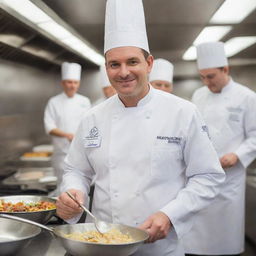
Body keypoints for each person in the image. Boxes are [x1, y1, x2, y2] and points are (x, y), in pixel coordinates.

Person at [56, 1, 225, 255]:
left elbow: (208, 176)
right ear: (106, 68)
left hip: (159, 247)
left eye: (132, 62)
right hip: (101, 242)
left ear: (149, 63)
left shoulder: (182, 112)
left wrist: (170, 214)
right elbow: (76, 170)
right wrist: (73, 192)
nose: (124, 72)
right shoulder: (93, 117)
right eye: (114, 64)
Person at [182, 42, 256, 256]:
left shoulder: (247, 97)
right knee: (195, 240)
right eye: (202, 77)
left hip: (229, 179)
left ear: (225, 69)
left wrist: (237, 155)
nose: (207, 82)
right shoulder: (198, 95)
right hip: (201, 173)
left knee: (224, 239)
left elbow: (254, 136)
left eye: (211, 76)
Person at [44, 62, 91, 193]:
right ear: (63, 83)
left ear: (79, 84)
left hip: (82, 153)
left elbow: (89, 124)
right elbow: (49, 127)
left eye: (75, 82)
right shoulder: (53, 102)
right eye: (69, 82)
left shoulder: (85, 101)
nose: (72, 85)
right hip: (61, 156)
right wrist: (67, 135)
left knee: (80, 188)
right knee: (63, 188)